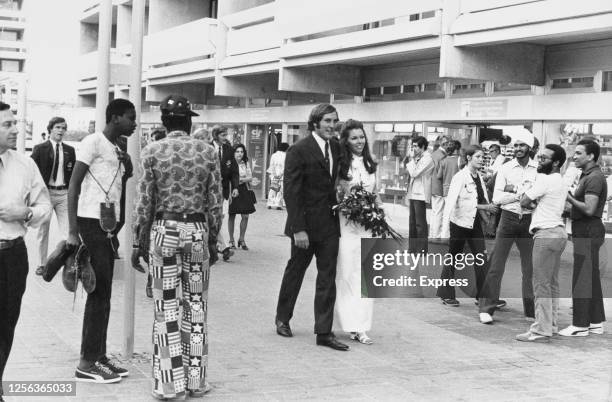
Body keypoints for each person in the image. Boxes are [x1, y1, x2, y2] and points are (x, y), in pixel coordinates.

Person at [131, 94, 221, 399]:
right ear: (189, 120)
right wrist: (213, 240)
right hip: (196, 230)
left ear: (164, 122)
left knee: (166, 309)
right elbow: (215, 202)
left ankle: (169, 386)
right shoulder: (208, 152)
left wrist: (137, 240)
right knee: (196, 307)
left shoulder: (152, 151)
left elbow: (144, 202)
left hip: (164, 230)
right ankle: (196, 382)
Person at [66, 99, 136, 383]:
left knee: (105, 293)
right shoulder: (92, 142)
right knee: (97, 292)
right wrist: (72, 231)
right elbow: (73, 187)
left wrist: (127, 167)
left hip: (107, 227)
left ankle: (99, 356)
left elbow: (117, 187)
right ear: (115, 117)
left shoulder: (118, 148)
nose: (134, 123)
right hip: (90, 223)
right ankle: (86, 362)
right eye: (130, 118)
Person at [275, 103, 349, 351]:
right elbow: (291, 191)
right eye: (327, 121)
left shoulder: (337, 147)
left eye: (334, 121)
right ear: (315, 122)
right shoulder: (298, 150)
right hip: (304, 226)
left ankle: (324, 332)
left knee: (327, 278)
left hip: (329, 225)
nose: (331, 126)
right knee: (295, 272)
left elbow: (340, 177)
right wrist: (298, 229)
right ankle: (283, 318)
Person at [0, 101, 51, 401]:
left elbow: (44, 204)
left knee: (5, 326)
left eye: (14, 122)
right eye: (7, 124)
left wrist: (27, 213)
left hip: (12, 257)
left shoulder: (24, 164)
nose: (15, 129)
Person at [478, 129, 538, 324]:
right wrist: (521, 194)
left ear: (530, 147)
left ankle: (531, 310)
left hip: (529, 221)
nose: (518, 149)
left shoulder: (537, 169)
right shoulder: (505, 168)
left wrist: (513, 191)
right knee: (496, 265)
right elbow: (497, 198)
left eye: (522, 145)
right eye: (516, 145)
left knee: (529, 268)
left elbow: (539, 196)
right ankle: (486, 308)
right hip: (508, 218)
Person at [515, 144, 568, 342]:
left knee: (541, 285)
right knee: (551, 283)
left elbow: (523, 201)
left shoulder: (545, 180)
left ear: (556, 163)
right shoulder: (560, 181)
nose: (539, 160)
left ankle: (540, 329)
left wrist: (529, 198)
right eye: (540, 157)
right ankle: (550, 324)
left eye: (544, 158)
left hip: (545, 235)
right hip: (559, 234)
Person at [334, 119, 378, 344]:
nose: (359, 141)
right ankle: (350, 324)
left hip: (368, 226)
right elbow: (337, 196)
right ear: (346, 141)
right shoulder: (341, 165)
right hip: (347, 225)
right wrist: (348, 203)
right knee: (348, 274)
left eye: (361, 137)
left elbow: (376, 194)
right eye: (354, 138)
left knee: (366, 277)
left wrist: (378, 215)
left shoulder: (371, 164)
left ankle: (362, 326)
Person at [438, 145, 497, 306]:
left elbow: (482, 200)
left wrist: (488, 220)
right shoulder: (460, 177)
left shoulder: (478, 176)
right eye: (478, 156)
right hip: (459, 223)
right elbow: (450, 203)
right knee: (453, 258)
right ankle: (445, 294)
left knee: (481, 259)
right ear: (469, 158)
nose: (481, 160)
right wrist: (444, 231)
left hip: (474, 223)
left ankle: (483, 296)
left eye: (482, 157)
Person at [560, 139, 607, 337]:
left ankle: (580, 325)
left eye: (579, 153)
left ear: (591, 156)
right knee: (590, 277)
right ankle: (596, 322)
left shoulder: (594, 177)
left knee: (582, 278)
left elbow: (589, 209)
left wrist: (568, 197)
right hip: (586, 230)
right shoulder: (587, 175)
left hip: (589, 230)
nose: (574, 156)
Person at [30, 117, 75, 275]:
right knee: (43, 231)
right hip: (46, 194)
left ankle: (62, 262)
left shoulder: (70, 150)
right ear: (50, 129)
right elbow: (30, 171)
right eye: (57, 127)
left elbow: (74, 174)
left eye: (63, 128)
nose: (61, 130)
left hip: (64, 194)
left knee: (67, 231)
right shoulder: (40, 149)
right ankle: (42, 264)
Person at [210, 125, 238, 261]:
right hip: (209, 191)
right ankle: (224, 247)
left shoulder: (229, 149)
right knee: (215, 218)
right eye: (223, 135)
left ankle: (217, 246)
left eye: (226, 135)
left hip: (224, 190)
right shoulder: (207, 148)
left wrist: (235, 187)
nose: (225, 138)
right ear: (216, 135)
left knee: (220, 218)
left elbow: (234, 170)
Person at [405, 136, 433, 254]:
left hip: (421, 194)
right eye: (413, 146)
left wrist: (411, 160)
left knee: (420, 223)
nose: (414, 148)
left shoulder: (428, 159)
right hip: (413, 193)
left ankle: (422, 249)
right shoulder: (418, 158)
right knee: (412, 222)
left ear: (423, 147)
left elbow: (415, 173)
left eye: (416, 146)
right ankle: (412, 248)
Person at [228, 143, 256, 250]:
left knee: (245, 215)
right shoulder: (230, 163)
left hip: (243, 190)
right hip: (232, 189)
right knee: (232, 215)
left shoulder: (245, 163)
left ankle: (242, 238)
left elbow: (250, 177)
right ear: (233, 153)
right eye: (237, 151)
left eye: (241, 151)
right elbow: (228, 178)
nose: (240, 154)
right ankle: (231, 240)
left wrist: (240, 179)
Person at [429, 135, 451, 241]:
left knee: (434, 212)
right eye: (448, 144)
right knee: (438, 212)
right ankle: (436, 235)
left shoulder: (433, 154)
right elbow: (440, 173)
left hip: (432, 186)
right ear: (444, 144)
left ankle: (433, 234)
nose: (450, 146)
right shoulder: (442, 156)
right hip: (439, 187)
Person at [267, 142, 288, 210]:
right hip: (281, 176)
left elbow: (271, 165)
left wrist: (274, 174)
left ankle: (270, 203)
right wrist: (281, 174)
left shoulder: (274, 155)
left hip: (274, 175)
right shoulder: (285, 155)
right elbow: (285, 167)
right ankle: (278, 204)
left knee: (273, 189)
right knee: (280, 190)